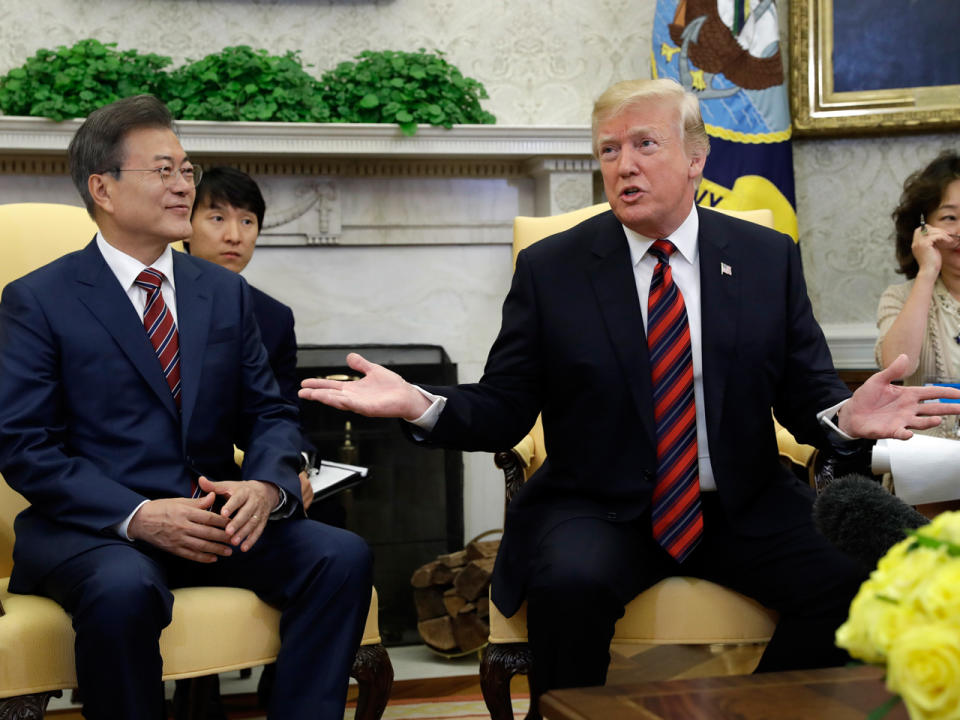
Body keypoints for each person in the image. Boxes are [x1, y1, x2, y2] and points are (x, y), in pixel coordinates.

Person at [298, 78, 960, 707]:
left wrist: (845, 414)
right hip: (598, 504)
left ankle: (751, 712)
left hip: (743, 500)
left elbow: (805, 390)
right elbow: (503, 407)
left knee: (855, 579)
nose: (623, 165)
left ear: (696, 157)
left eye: (645, 144)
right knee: (569, 584)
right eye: (607, 150)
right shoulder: (554, 267)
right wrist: (421, 402)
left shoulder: (764, 257)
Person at [0, 95, 372, 720]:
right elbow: (24, 445)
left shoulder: (224, 293)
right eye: (162, 171)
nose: (183, 187)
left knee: (339, 555)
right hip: (97, 532)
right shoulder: (38, 300)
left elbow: (269, 413)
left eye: (186, 170)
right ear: (104, 189)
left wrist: (268, 484)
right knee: (124, 587)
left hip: (215, 521)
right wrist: (139, 514)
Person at [186, 165, 316, 510]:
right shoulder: (154, 297)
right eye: (217, 219)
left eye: (247, 221)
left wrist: (293, 465)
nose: (234, 236)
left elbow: (282, 409)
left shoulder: (274, 317)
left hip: (246, 481)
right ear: (185, 225)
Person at [875, 150, 960, 515]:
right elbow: (897, 366)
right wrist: (927, 272)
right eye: (950, 217)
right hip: (924, 469)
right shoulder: (899, 298)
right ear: (923, 226)